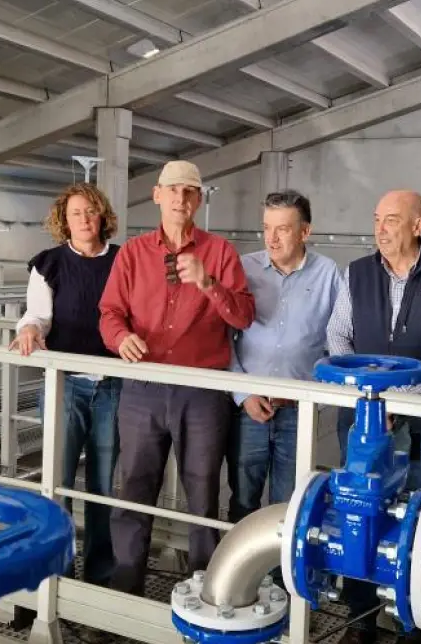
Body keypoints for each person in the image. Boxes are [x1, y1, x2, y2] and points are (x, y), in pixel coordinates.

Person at [98, 159, 255, 596]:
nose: (181, 199)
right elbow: (109, 312)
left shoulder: (220, 253)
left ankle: (208, 594)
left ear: (199, 200)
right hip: (142, 388)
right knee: (134, 487)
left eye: (189, 192)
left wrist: (208, 284)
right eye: (173, 190)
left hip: (202, 391)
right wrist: (121, 338)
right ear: (157, 195)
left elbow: (243, 315)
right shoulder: (132, 254)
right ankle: (126, 588)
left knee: (202, 493)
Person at [325, 189, 421, 644]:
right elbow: (338, 336)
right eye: (376, 219)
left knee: (417, 521)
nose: (380, 229)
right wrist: (371, 398)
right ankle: (360, 621)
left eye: (391, 220)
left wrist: (395, 402)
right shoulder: (357, 273)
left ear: (418, 226)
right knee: (358, 512)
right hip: (361, 419)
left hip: (420, 420)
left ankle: (412, 625)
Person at [10, 182, 122, 589]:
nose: (85, 219)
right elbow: (38, 315)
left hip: (112, 385)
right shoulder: (49, 263)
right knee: (57, 482)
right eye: (76, 213)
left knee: (102, 486)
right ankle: (55, 576)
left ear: (102, 216)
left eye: (91, 211)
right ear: (64, 220)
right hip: (65, 385)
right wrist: (28, 330)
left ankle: (98, 578)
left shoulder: (123, 261)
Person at [227, 190, 340, 524]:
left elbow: (340, 341)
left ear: (305, 232)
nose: (271, 239)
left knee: (289, 506)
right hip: (248, 410)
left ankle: (280, 563)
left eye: (283, 229)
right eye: (267, 228)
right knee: (242, 500)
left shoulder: (328, 274)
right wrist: (243, 394)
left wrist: (316, 398)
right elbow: (224, 338)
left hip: (298, 411)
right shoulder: (244, 268)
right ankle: (240, 560)